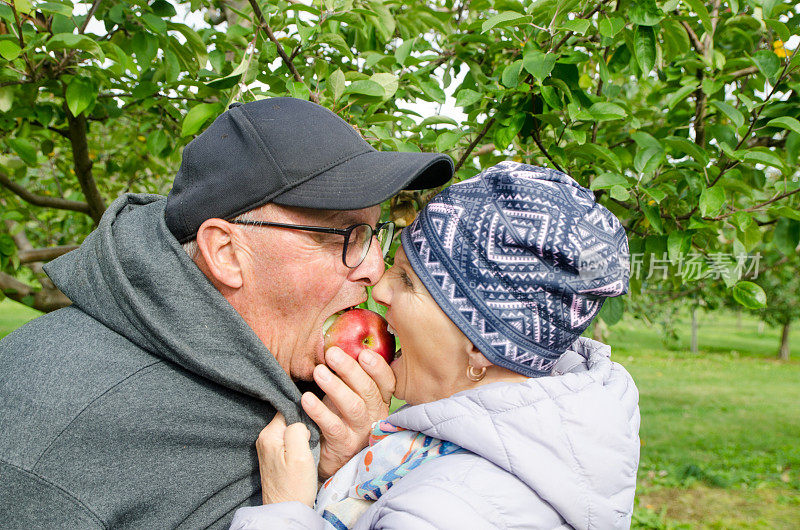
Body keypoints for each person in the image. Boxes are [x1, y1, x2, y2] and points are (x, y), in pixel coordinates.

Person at [0, 98, 453, 529]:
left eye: (376, 233)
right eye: (342, 236)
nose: (376, 268)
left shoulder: (293, 368)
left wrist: (344, 471)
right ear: (227, 253)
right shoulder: (49, 438)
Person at [230, 161, 641, 529]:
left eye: (408, 281)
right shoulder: (496, 451)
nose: (380, 285)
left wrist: (284, 510)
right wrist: (350, 467)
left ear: (483, 346)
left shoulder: (450, 508)